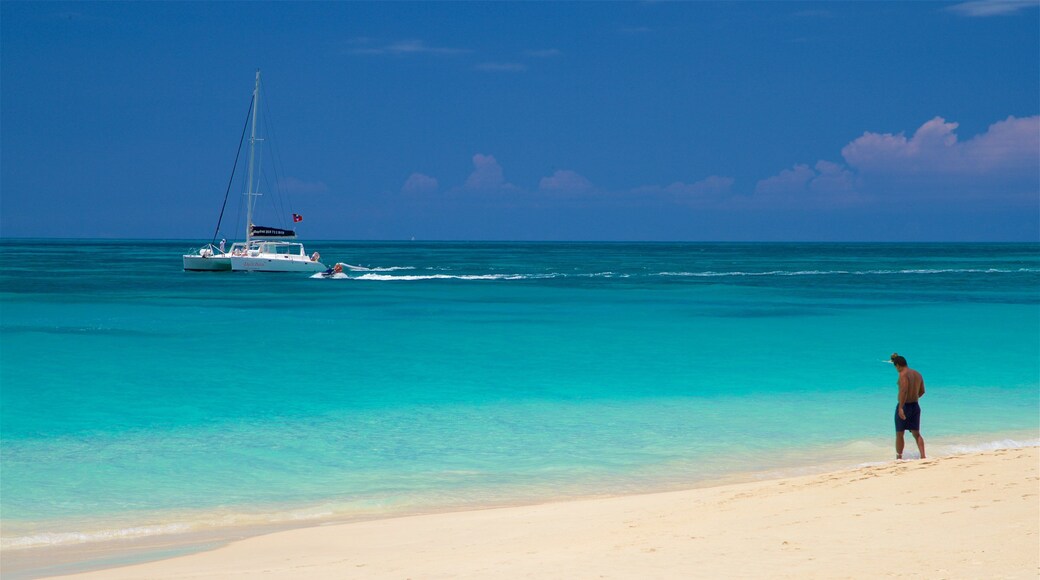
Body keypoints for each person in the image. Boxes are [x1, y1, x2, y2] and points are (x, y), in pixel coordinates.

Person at [891, 353, 926, 460]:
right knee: (916, 433)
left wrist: (901, 407)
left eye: (895, 366)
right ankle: (923, 456)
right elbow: (922, 391)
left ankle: (899, 458)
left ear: (898, 365)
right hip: (915, 406)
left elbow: (904, 391)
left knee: (900, 433)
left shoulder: (902, 374)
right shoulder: (918, 374)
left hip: (905, 406)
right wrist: (913, 398)